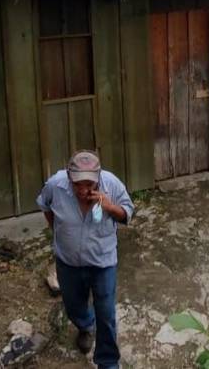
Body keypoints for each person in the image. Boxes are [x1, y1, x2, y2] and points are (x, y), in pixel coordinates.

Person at [37, 151, 134, 369]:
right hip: (68, 261)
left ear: (98, 177)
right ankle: (84, 325)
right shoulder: (55, 185)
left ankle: (108, 361)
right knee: (73, 305)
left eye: (89, 184)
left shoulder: (112, 184)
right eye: (77, 184)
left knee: (106, 314)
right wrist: (59, 233)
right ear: (69, 176)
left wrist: (109, 206)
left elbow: (128, 213)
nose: (83, 190)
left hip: (103, 262)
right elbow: (45, 205)